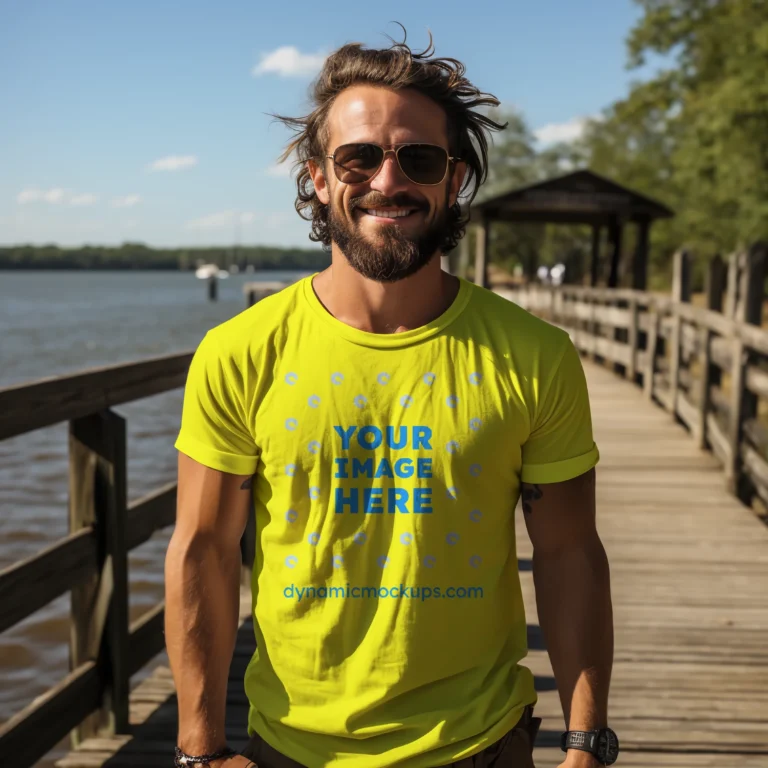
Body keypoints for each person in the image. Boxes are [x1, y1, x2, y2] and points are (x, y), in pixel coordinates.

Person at [167, 26, 615, 768]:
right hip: (290, 746)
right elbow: (203, 553)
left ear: (455, 177)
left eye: (419, 157)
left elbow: (569, 552)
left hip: (479, 743)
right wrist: (198, 748)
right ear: (318, 176)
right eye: (359, 157)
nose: (387, 180)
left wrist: (587, 740)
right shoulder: (241, 353)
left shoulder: (535, 357)